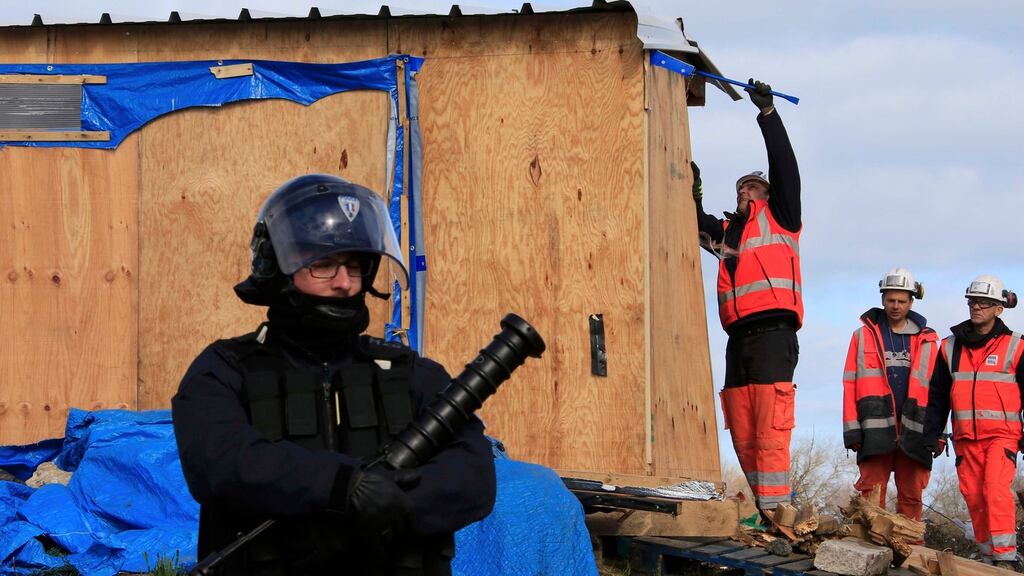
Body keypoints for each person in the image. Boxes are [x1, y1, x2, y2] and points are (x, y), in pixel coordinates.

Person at [171, 174, 496, 575]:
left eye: (354, 266)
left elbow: (474, 476)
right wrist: (342, 486)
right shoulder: (225, 368)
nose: (344, 283)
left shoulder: (410, 374)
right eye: (323, 265)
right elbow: (219, 464)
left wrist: (397, 501)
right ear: (279, 270)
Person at [692, 79, 801, 514]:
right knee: (741, 426)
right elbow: (694, 221)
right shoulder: (729, 235)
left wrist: (767, 115)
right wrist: (690, 186)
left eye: (752, 186)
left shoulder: (782, 215)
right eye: (740, 187)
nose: (744, 191)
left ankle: (780, 516)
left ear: (766, 193)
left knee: (770, 429)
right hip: (738, 338)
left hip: (775, 333)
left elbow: (785, 167)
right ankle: (764, 509)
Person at [924, 274, 1022, 568]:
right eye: (973, 301)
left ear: (999, 308)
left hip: (1003, 436)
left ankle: (1006, 556)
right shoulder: (949, 347)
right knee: (974, 496)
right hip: (965, 437)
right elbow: (938, 396)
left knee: (995, 489)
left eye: (985, 302)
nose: (977, 307)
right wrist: (934, 434)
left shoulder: (1017, 346)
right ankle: (987, 556)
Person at [842, 268, 940, 520]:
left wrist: (938, 433)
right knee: (871, 495)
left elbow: (939, 392)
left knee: (911, 495)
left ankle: (912, 550)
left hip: (915, 429)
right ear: (882, 299)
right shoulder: (863, 336)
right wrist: (852, 430)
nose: (895, 306)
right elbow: (850, 383)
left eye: (901, 301)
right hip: (874, 428)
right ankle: (868, 548)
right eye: (890, 300)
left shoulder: (928, 340)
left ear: (911, 301)